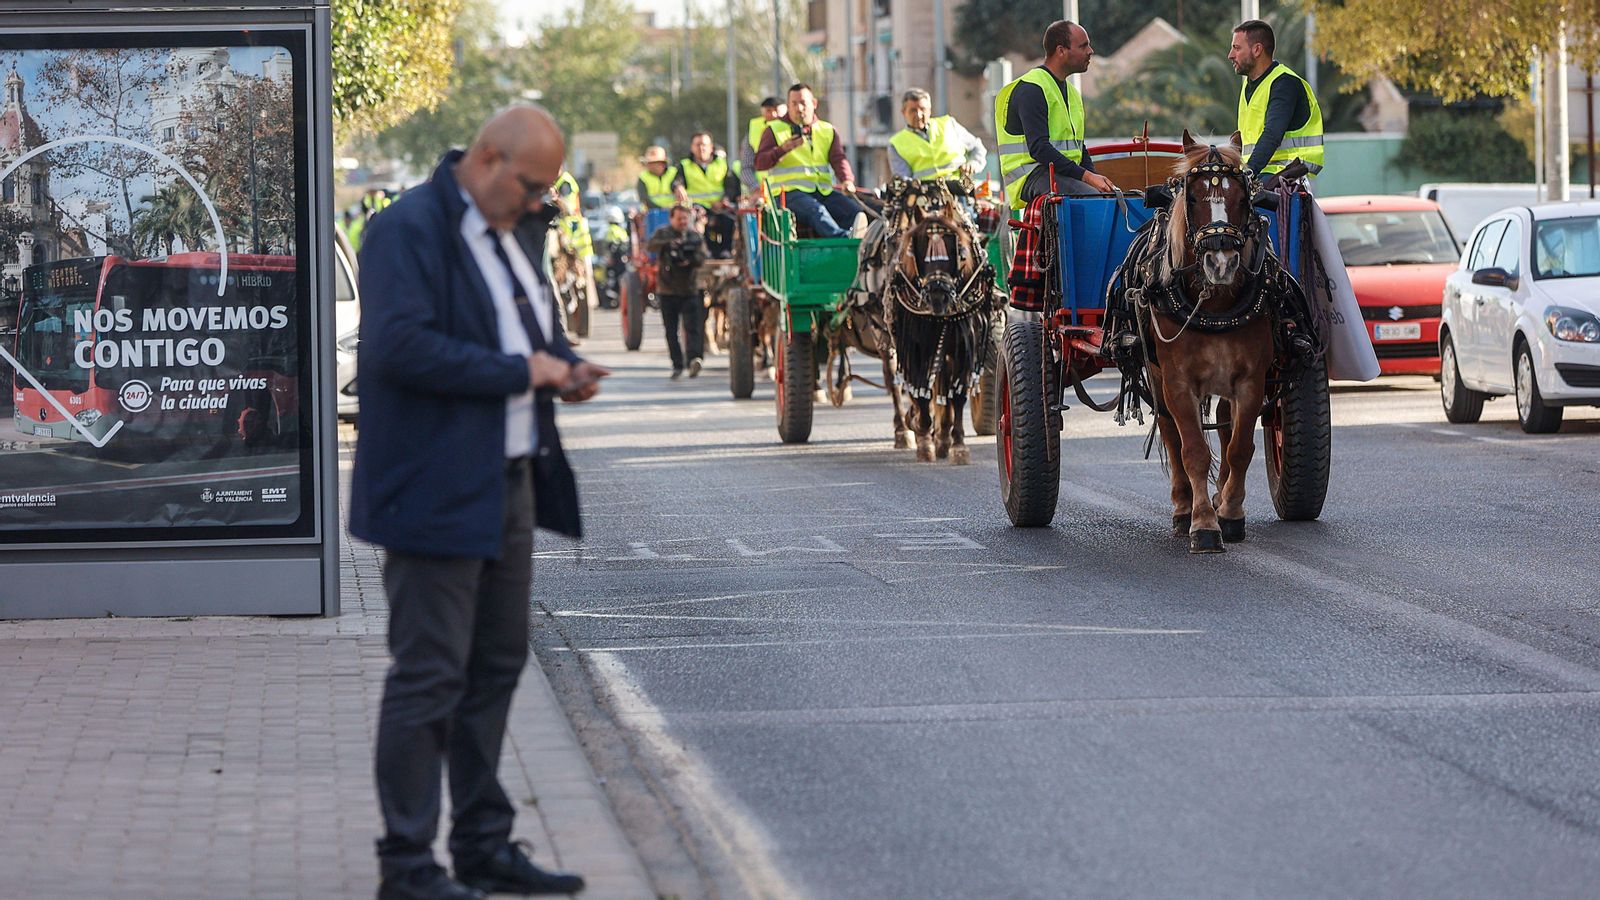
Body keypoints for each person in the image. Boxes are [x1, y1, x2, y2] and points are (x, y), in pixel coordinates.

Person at [350, 104, 608, 900]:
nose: (538, 204)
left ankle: (483, 845)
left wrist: (564, 366)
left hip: (509, 478)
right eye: (531, 186)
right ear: (489, 159)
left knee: (496, 664)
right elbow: (399, 347)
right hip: (432, 484)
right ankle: (407, 865)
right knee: (430, 675)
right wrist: (522, 372)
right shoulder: (406, 229)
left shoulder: (510, 232)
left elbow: (526, 332)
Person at [993, 20, 1116, 209]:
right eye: (1083, 46)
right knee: (1094, 202)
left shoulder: (1072, 93)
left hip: (1061, 174)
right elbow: (1039, 149)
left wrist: (1094, 179)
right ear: (1061, 51)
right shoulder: (1031, 89)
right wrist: (1088, 177)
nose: (1090, 51)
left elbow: (1078, 148)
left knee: (1110, 198)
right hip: (1032, 175)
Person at [754, 83, 867, 238]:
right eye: (794, 104)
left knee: (855, 212)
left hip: (822, 191)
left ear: (814, 104)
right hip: (786, 194)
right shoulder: (773, 130)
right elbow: (760, 163)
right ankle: (844, 240)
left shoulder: (827, 130)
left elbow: (838, 159)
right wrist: (783, 149)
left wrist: (847, 180)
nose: (799, 108)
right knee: (817, 211)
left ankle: (862, 246)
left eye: (803, 103)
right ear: (788, 106)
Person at [1229, 18, 1324, 182]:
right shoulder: (1248, 86)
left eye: (1236, 48)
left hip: (1287, 172)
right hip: (1260, 173)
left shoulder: (1285, 83)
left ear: (1257, 50)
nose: (1230, 55)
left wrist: (1248, 172)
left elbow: (1272, 134)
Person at [645, 205, 708, 378]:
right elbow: (650, 246)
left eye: (685, 219)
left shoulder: (694, 237)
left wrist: (690, 259)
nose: (682, 222)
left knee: (693, 328)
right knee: (671, 331)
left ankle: (694, 359)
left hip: (689, 289)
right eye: (679, 218)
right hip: (667, 291)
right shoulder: (662, 233)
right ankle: (677, 365)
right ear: (671, 219)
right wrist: (668, 245)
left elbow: (702, 257)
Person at [888, 88, 986, 182]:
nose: (918, 114)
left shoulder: (949, 124)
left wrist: (973, 163)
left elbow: (977, 148)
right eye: (913, 110)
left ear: (930, 110)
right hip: (923, 194)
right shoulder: (896, 144)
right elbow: (903, 178)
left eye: (923, 109)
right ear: (903, 112)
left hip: (958, 189)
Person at [674, 131, 739, 258]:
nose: (701, 148)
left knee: (729, 220)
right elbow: (676, 180)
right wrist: (678, 186)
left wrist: (724, 200)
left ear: (711, 147)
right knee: (696, 222)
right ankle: (703, 251)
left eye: (704, 144)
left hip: (720, 207)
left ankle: (726, 251)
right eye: (697, 145)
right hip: (698, 207)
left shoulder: (722, 164)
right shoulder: (684, 165)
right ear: (692, 147)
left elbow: (732, 186)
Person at [741, 96, 786, 196]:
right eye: (769, 111)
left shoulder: (795, 127)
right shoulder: (754, 130)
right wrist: (755, 188)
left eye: (777, 110)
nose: (773, 114)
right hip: (764, 193)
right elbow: (746, 166)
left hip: (791, 189)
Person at [636, 145, 679, 210]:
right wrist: (662, 208)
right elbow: (643, 198)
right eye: (648, 163)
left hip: (675, 213)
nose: (649, 165)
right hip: (652, 214)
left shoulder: (674, 172)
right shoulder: (643, 177)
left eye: (652, 163)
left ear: (662, 163)